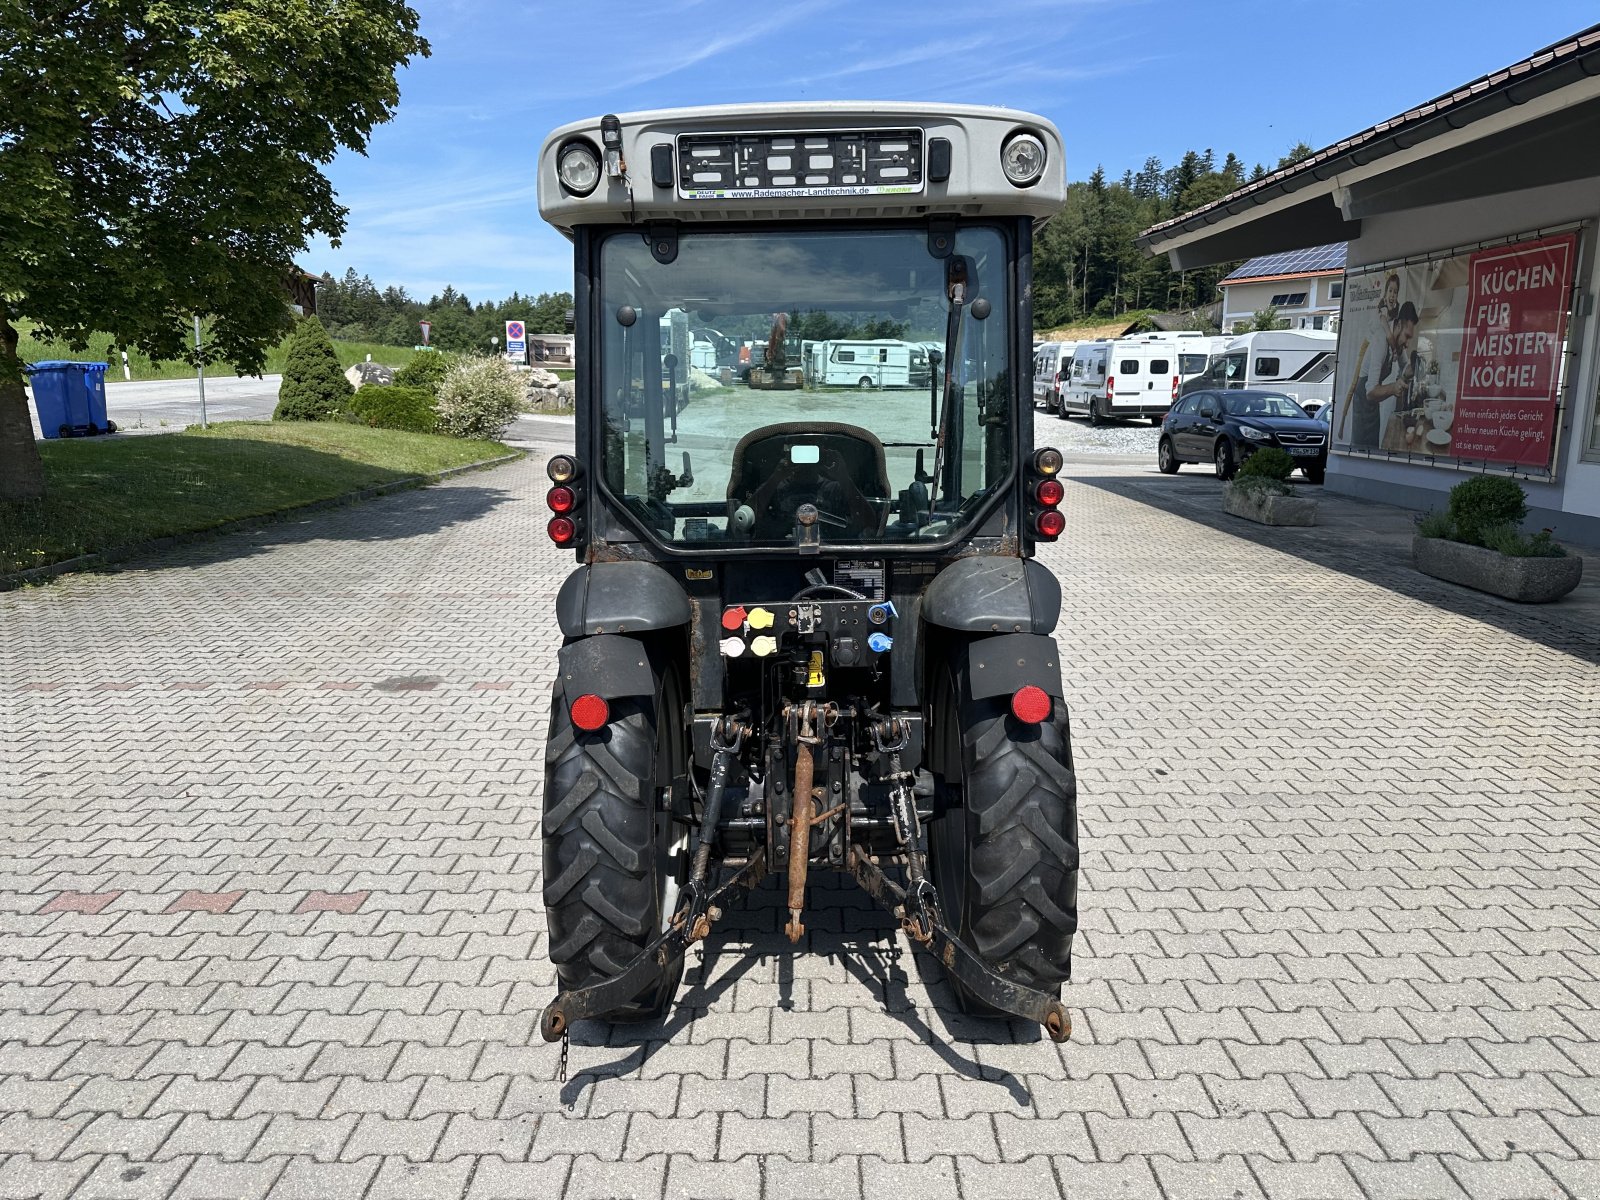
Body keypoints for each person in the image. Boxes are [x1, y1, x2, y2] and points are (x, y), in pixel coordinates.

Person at [1345, 300, 1419, 449]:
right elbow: (1370, 391)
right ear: (1398, 325)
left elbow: (1405, 368)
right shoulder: (1381, 341)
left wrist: (1412, 369)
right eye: (1407, 336)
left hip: (1373, 404)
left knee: (1373, 448)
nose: (1407, 343)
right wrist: (1393, 388)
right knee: (1362, 451)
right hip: (1363, 400)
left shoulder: (1397, 344)